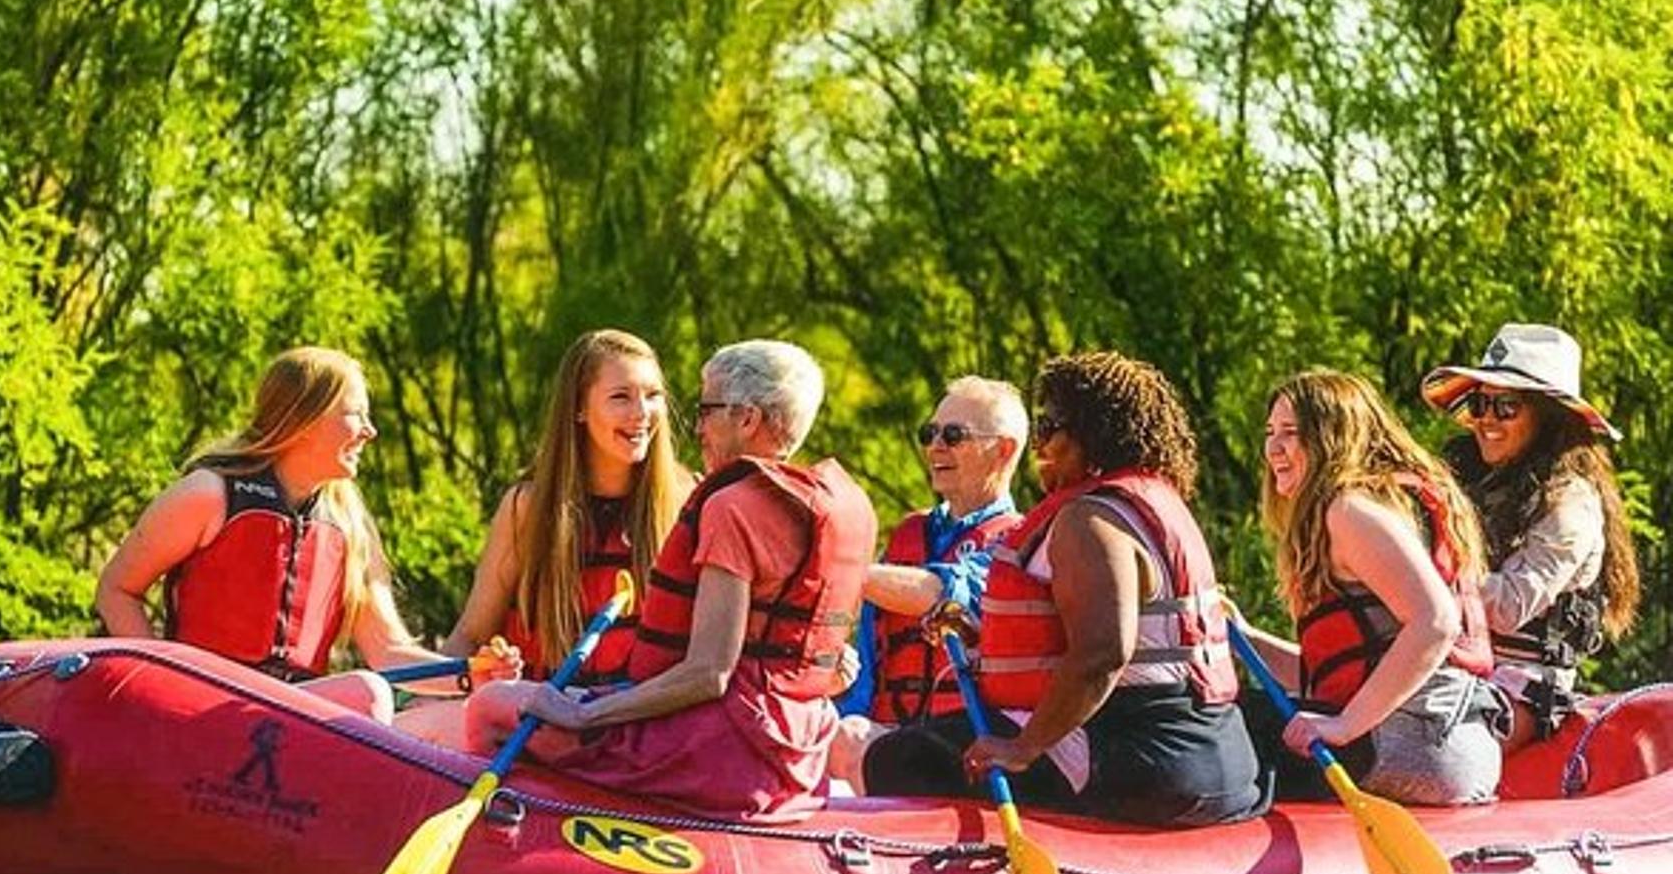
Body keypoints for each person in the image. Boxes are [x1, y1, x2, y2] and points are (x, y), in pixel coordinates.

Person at [464, 340, 878, 821]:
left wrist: (586, 713)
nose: (697, 426)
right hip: (797, 756)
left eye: (707, 410)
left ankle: (511, 843)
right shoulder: (844, 508)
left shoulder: (730, 507)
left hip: (727, 753)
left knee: (490, 707)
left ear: (747, 419)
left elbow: (709, 672)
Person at [862, 351, 1267, 828]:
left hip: (1143, 762)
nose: (1041, 445)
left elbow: (1102, 653)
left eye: (1051, 426)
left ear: (1092, 432)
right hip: (1213, 755)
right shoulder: (1154, 504)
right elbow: (1087, 640)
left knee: (900, 757)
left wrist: (1023, 748)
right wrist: (977, 634)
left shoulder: (1089, 520)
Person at [95, 346, 516, 721]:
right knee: (366, 693)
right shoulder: (209, 494)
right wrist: (161, 686)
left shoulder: (348, 523)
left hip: (291, 715)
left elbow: (389, 654)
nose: (370, 431)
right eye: (356, 414)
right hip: (205, 703)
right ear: (304, 421)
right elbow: (116, 589)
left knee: (421, 709)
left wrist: (472, 675)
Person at [394, 330, 692, 744]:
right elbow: (471, 635)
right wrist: (421, 699)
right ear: (580, 410)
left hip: (637, 725)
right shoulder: (528, 508)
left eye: (653, 395)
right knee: (413, 726)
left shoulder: (687, 501)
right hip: (538, 720)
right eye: (621, 397)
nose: (642, 413)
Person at [1240, 369, 1502, 805]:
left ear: (1332, 437)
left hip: (1415, 744)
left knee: (1214, 728)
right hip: (1430, 743)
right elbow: (1335, 675)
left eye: (1291, 432)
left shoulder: (1349, 509)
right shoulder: (1372, 507)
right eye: (1270, 432)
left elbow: (1436, 622)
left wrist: (1343, 728)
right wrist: (1243, 638)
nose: (1274, 448)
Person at [1424, 323, 1639, 751]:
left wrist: (1414, 576)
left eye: (1506, 406)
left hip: (1522, 692)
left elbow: (1506, 608)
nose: (1486, 418)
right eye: (1480, 403)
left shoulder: (1570, 503)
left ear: (1550, 417)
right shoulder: (1467, 481)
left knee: (1425, 746)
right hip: (1449, 671)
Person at [829, 377, 1027, 793]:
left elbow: (939, 594)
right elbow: (869, 648)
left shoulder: (1017, 542)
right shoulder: (909, 533)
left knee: (848, 738)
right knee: (835, 730)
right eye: (930, 433)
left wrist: (829, 567)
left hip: (962, 742)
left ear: (1004, 450)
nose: (935, 446)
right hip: (881, 732)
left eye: (954, 435)